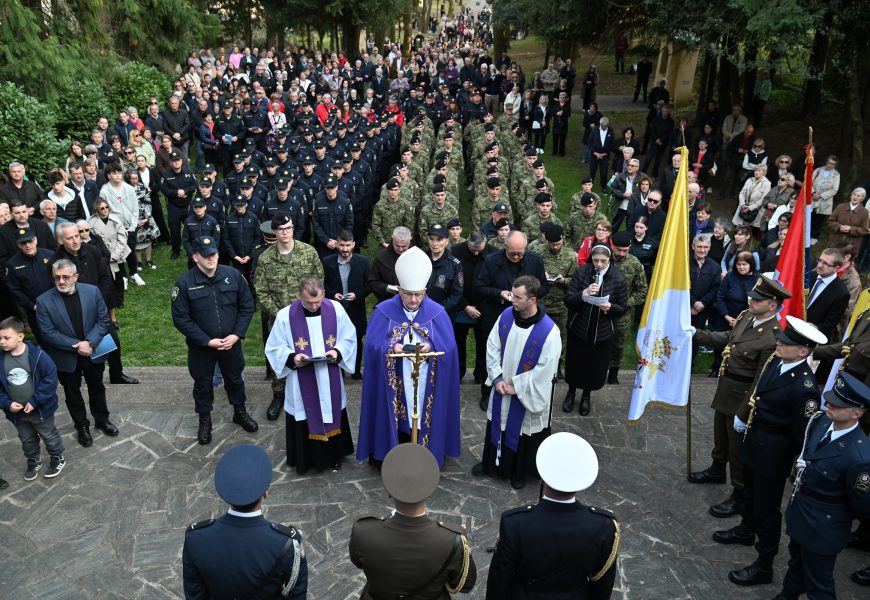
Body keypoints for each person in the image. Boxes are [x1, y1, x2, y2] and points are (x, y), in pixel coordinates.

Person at [712, 316, 826, 588]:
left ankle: (764, 565)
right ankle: (745, 530)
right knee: (748, 495)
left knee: (767, 509)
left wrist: (795, 465)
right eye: (781, 339)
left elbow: (803, 432)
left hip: (774, 455)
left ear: (803, 351)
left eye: (786, 342)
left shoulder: (804, 388)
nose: (779, 343)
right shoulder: (777, 362)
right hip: (755, 442)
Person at [690, 276, 790, 519]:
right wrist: (698, 333)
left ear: (772, 305)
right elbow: (728, 338)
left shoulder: (772, 336)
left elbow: (760, 380)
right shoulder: (747, 316)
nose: (751, 301)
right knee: (720, 437)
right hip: (726, 388)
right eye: (752, 297)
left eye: (758, 299)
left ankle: (739, 493)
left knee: (738, 451)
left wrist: (745, 413)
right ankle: (716, 469)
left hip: (743, 397)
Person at [357, 246, 461, 468]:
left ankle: (428, 452)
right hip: (395, 377)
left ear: (424, 291)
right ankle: (389, 451)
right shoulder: (383, 311)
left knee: (423, 410)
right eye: (408, 294)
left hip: (425, 378)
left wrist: (431, 345)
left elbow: (450, 349)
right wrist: (389, 346)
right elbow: (373, 346)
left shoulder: (437, 313)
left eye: (418, 294)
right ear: (399, 290)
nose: (414, 300)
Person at [486, 432, 619, 598]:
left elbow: (499, 581)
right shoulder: (603, 526)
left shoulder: (514, 523)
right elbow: (602, 586)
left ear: (541, 478)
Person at [773, 372, 870, 596]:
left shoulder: (860, 457)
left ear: (856, 413)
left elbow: (862, 506)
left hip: (824, 528)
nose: (829, 405)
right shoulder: (821, 421)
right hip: (802, 514)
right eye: (831, 399)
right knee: (795, 564)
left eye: (837, 404)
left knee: (819, 584)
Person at [349, 443, 476, 599]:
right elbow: (464, 585)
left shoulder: (363, 531)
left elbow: (358, 562)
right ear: (429, 493)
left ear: (389, 492)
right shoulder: (453, 540)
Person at [182, 444, 308, 599]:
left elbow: (195, 595)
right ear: (265, 492)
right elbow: (297, 595)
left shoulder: (196, 538)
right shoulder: (288, 544)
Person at [471, 275, 561, 489]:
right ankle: (489, 464)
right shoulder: (505, 316)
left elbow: (545, 370)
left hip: (524, 393)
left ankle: (518, 472)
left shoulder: (549, 332)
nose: (512, 300)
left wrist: (517, 387)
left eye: (518, 297)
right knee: (496, 422)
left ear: (533, 300)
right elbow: (492, 346)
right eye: (512, 294)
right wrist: (497, 378)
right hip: (501, 385)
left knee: (522, 429)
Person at [170, 236, 258, 445]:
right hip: (202, 348)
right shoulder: (184, 284)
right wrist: (206, 341)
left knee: (235, 379)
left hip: (231, 344)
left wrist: (237, 335)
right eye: (206, 255)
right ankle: (205, 419)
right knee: (202, 383)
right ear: (195, 257)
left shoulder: (234, 276)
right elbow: (181, 319)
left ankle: (239, 412)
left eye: (214, 254)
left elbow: (247, 306)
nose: (212, 258)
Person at [265, 277, 356, 474]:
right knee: (304, 412)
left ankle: (334, 456)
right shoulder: (285, 316)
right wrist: (292, 358)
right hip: (300, 379)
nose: (314, 307)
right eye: (309, 303)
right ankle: (304, 460)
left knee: (331, 410)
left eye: (318, 301)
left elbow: (349, 336)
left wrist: (337, 352)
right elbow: (274, 347)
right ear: (299, 296)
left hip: (328, 373)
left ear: (323, 293)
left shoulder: (336, 309)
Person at [35, 259, 117, 448]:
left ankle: (102, 420)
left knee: (97, 387)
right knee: (72, 394)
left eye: (66, 277)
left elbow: (103, 320)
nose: (61, 281)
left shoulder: (92, 291)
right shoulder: (44, 300)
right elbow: (47, 333)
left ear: (76, 277)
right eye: (57, 278)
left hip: (94, 350)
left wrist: (90, 343)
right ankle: (82, 427)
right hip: (66, 357)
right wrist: (78, 345)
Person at [254, 212, 324, 420]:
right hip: (279, 321)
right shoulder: (266, 259)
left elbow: (318, 283)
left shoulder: (308, 252)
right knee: (280, 357)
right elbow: (261, 291)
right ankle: (278, 395)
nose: (285, 232)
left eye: (289, 228)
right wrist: (280, 315)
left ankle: (311, 393)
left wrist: (310, 307)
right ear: (274, 232)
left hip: (307, 317)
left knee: (310, 354)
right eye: (281, 229)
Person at [563, 244, 628, 416]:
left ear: (609, 260)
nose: (598, 264)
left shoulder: (618, 278)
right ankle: (571, 392)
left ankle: (586, 396)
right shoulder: (582, 272)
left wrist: (609, 307)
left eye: (603, 261)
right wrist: (583, 294)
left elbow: (622, 308)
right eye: (595, 260)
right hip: (580, 326)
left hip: (602, 330)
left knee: (593, 366)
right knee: (575, 362)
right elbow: (568, 300)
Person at [0, 317, 66, 480]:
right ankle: (33, 460)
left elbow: (49, 380)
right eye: (0, 338)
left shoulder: (38, 356)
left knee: (48, 434)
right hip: (17, 413)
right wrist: (7, 404)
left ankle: (57, 457)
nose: (2, 342)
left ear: (20, 336)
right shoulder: (1, 360)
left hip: (40, 409)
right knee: (26, 438)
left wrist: (35, 401)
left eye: (6, 338)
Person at [322, 229, 371, 379]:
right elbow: (323, 284)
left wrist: (357, 295)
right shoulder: (327, 262)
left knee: (356, 338)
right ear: (336, 244)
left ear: (354, 244)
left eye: (348, 245)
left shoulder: (363, 262)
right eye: (342, 245)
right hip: (335, 309)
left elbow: (369, 285)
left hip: (355, 308)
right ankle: (339, 369)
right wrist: (332, 294)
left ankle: (356, 371)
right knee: (335, 339)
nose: (345, 249)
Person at [609, 231, 648, 384]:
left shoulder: (634, 263)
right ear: (612, 246)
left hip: (622, 313)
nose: (621, 253)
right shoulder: (603, 258)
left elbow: (642, 290)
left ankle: (613, 373)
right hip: (601, 310)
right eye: (618, 250)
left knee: (618, 345)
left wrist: (627, 303)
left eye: (625, 250)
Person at [806, 248, 850, 341]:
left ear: (836, 268)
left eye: (825, 263)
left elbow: (829, 324)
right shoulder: (809, 276)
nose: (820, 265)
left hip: (811, 336)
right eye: (820, 260)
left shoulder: (841, 293)